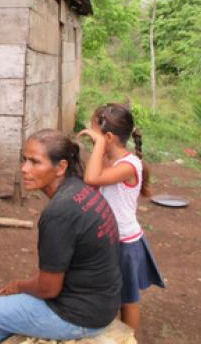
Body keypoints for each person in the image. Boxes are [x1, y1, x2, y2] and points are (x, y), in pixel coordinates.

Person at [0, 129, 122, 343]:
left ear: (61, 167)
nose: (24, 169)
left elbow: (49, 289)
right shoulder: (82, 190)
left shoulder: (59, 213)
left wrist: (19, 286)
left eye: (35, 162)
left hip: (81, 317)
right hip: (103, 302)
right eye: (24, 160)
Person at [78, 103, 164, 331]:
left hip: (125, 242)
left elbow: (92, 179)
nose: (91, 137)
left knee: (129, 300)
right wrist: (100, 147)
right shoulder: (113, 162)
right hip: (109, 238)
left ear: (108, 137)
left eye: (95, 133)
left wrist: (97, 145)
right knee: (111, 293)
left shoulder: (129, 165)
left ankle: (129, 339)